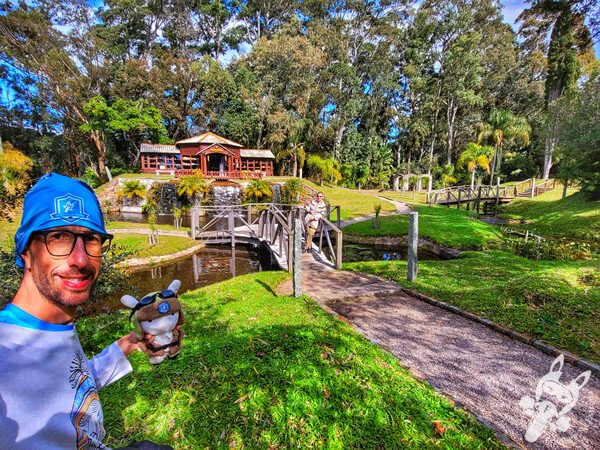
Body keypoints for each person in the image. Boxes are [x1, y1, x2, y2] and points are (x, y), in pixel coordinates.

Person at [0, 172, 171, 450]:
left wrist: (129, 344)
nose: (80, 259)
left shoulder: (55, 326)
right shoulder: (6, 352)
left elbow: (72, 384)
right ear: (26, 253)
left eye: (91, 239)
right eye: (58, 237)